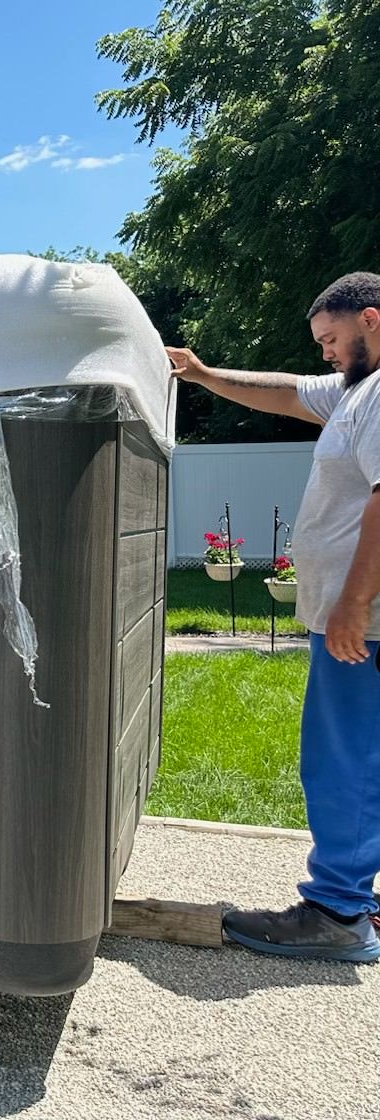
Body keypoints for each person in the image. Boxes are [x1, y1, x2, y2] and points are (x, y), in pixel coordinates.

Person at [168, 271, 380, 963]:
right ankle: (363, 902)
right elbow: (283, 390)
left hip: (364, 618)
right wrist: (201, 374)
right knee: (366, 755)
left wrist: (351, 604)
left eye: (332, 340)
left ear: (370, 321)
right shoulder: (355, 391)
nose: (325, 354)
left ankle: (337, 913)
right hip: (357, 612)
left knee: (342, 758)